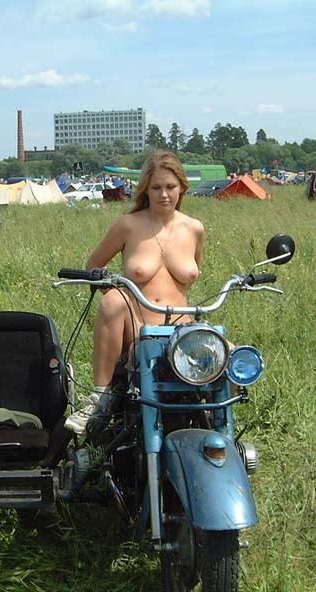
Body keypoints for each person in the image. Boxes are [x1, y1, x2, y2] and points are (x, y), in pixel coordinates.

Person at [64, 150, 205, 435]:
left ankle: (221, 428)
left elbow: (191, 276)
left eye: (170, 187)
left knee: (233, 356)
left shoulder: (194, 228)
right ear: (145, 190)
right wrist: (116, 288)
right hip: (137, 323)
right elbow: (94, 266)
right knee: (113, 300)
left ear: (182, 187)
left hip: (181, 327)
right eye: (156, 187)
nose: (164, 194)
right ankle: (100, 398)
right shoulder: (128, 224)